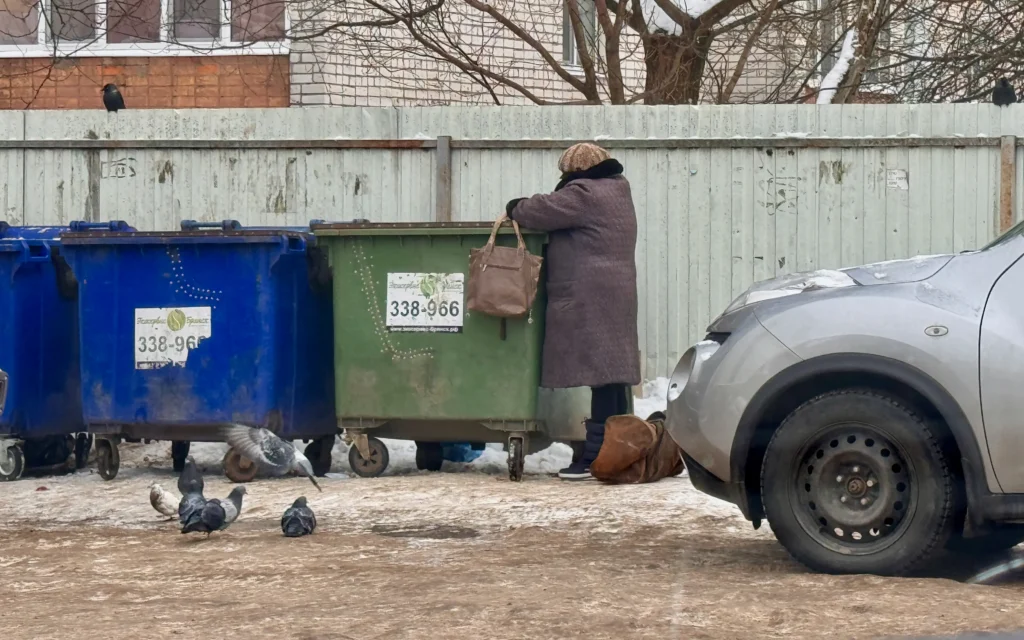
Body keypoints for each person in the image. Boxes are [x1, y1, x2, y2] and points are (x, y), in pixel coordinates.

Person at [506, 142, 641, 481]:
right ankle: (618, 452)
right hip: (615, 291)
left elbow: (539, 210)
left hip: (592, 293)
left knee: (602, 377)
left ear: (575, 172)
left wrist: (514, 206)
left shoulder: (584, 194)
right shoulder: (618, 190)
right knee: (612, 378)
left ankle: (594, 458)